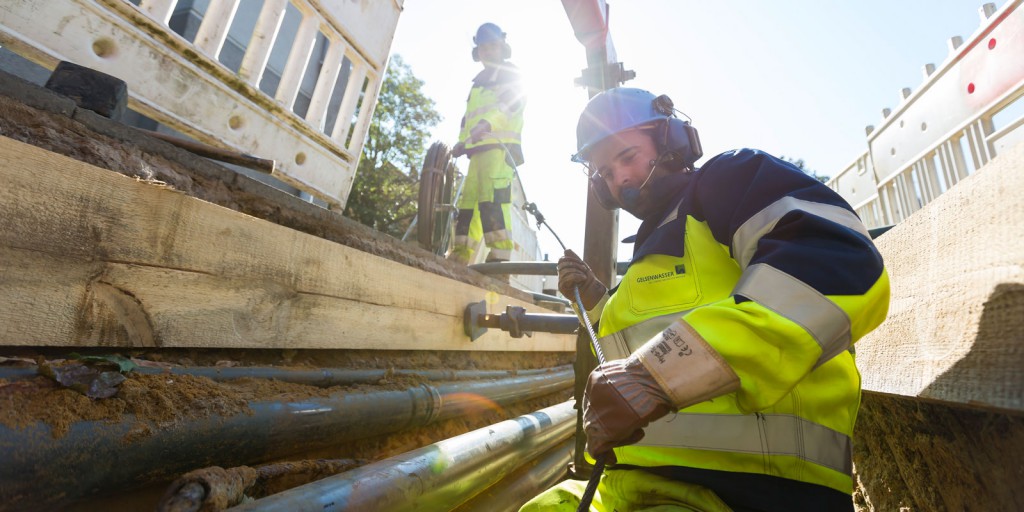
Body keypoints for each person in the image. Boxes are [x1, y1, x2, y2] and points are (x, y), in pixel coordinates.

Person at [520, 88, 890, 511]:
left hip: (749, 491)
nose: (619, 179)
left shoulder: (728, 181)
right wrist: (595, 301)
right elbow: (651, 334)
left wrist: (654, 375)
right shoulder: (652, 249)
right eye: (605, 172)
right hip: (633, 486)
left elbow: (838, 264)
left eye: (627, 157)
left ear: (671, 142)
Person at [448, 22, 526, 264]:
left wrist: (488, 124)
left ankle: (500, 257)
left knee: (494, 200)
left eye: (492, 46)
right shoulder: (478, 82)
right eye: (483, 48)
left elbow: (512, 104)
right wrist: (461, 143)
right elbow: (467, 120)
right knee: (468, 204)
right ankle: (460, 255)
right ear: (477, 52)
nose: (488, 52)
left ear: (502, 47)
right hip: (476, 151)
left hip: (499, 147)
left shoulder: (510, 73)